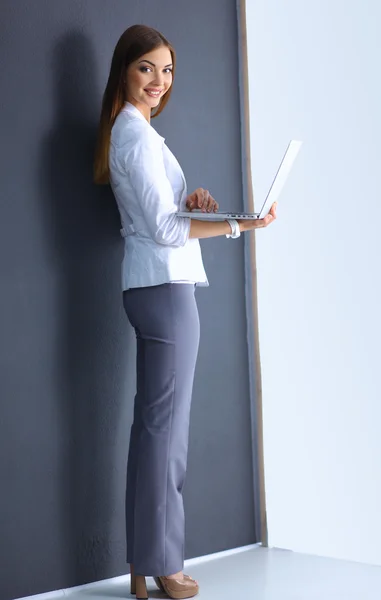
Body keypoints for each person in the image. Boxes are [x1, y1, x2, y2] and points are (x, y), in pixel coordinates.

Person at [93, 24, 277, 600]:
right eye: (147, 67)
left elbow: (162, 216)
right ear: (125, 68)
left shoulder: (139, 134)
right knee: (166, 435)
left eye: (167, 70)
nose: (158, 80)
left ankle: (147, 565)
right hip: (165, 292)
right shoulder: (135, 136)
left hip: (154, 287)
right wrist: (238, 225)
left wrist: (190, 199)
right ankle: (164, 565)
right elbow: (166, 231)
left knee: (155, 431)